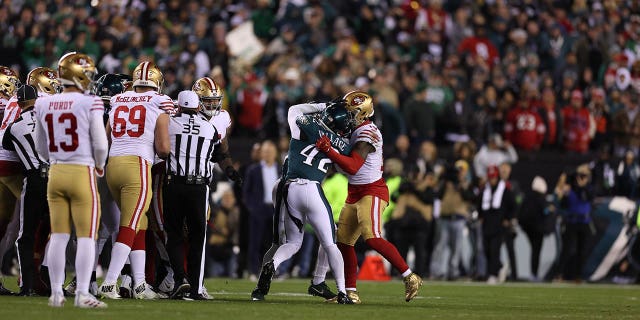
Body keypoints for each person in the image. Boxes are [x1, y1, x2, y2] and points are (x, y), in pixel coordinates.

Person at [314, 91, 423, 303]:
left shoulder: (368, 132)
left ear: (363, 114)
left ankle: (410, 276)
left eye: (351, 112)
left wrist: (330, 150)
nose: (346, 115)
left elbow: (354, 166)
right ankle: (350, 292)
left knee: (371, 237)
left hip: (372, 190)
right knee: (344, 243)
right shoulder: (352, 128)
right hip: (355, 192)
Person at [250, 100, 355, 304]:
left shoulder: (306, 124)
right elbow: (349, 164)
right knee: (330, 243)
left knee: (292, 242)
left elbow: (293, 110)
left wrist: (323, 106)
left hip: (289, 188)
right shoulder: (344, 144)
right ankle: (342, 291)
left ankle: (274, 264)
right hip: (312, 188)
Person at [34, 52, 108, 308]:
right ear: (77, 74)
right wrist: (99, 165)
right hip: (82, 171)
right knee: (87, 236)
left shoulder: (43, 103)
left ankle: (55, 294)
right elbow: (100, 143)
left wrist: (55, 159)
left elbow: (40, 146)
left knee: (59, 235)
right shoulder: (91, 102)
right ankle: (82, 293)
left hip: (55, 172)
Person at [98, 61, 171, 300]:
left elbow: (106, 137)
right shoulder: (159, 101)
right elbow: (162, 148)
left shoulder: (119, 98)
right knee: (129, 225)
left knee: (139, 223)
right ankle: (109, 283)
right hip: (137, 166)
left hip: (113, 165)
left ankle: (140, 284)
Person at [164, 90, 219, 300]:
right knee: (198, 238)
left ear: (178, 106)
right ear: (198, 106)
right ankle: (196, 288)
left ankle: (180, 278)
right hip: (198, 187)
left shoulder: (169, 122)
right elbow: (214, 151)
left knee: (174, 234)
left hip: (174, 184)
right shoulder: (210, 128)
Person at [1, 85, 49, 296]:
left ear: (18, 103)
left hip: (33, 179)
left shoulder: (14, 127)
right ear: (37, 99)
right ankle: (53, 283)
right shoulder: (48, 121)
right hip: (56, 177)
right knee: (57, 232)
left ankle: (27, 285)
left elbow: (8, 146)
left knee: (25, 234)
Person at [243, 140, 280, 280]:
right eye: (265, 151)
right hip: (258, 209)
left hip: (275, 210)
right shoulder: (253, 170)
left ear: (275, 153)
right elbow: (246, 192)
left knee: (273, 242)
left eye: (270, 151)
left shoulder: (281, 169)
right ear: (261, 153)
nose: (267, 154)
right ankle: (253, 270)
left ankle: (271, 271)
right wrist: (252, 208)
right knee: (255, 241)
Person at [0, 66, 21, 295]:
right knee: (26, 222)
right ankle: (30, 276)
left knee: (4, 223)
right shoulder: (8, 103)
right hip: (10, 163)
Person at [478, 165, 515, 285]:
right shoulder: (485, 190)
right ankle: (500, 267)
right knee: (487, 250)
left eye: (493, 177)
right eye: (490, 177)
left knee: (495, 250)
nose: (492, 180)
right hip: (487, 225)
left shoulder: (505, 190)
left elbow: (513, 206)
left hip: (499, 226)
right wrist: (480, 216)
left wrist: (508, 219)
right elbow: (479, 205)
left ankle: (493, 274)